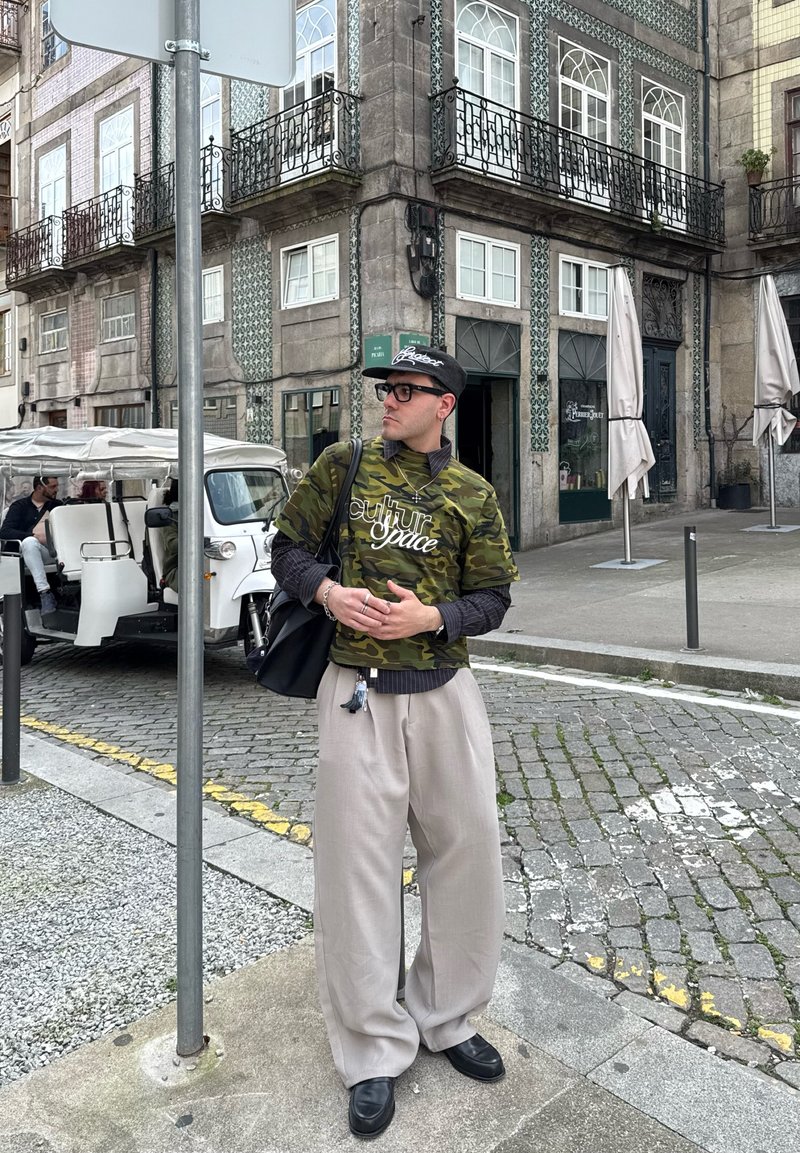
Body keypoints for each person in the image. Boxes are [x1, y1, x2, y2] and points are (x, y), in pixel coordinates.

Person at [271, 345, 519, 1140]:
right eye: (386, 387)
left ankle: (446, 1015)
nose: (389, 399)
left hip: (445, 694)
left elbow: (494, 596)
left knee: (468, 851)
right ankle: (373, 1049)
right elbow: (287, 551)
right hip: (356, 695)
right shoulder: (342, 464)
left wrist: (433, 619)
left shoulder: (473, 493)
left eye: (407, 390)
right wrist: (328, 590)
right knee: (356, 870)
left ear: (444, 403)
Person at [0, 475, 62, 616]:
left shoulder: (57, 506)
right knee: (29, 542)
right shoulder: (19, 506)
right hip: (26, 552)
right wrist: (32, 536)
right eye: (53, 487)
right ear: (39, 487)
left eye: (57, 486)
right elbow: (5, 532)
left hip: (51, 552)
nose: (56, 490)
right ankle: (44, 592)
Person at [160, 479, 179, 593]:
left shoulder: (209, 512)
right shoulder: (170, 515)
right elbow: (172, 544)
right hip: (177, 568)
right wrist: (197, 542)